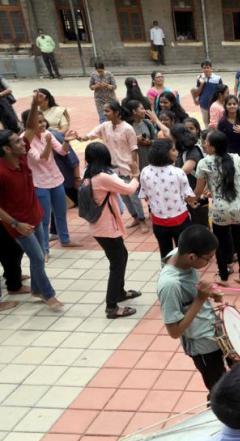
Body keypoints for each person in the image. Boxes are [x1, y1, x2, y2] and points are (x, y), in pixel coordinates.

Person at [158, 224, 233, 391]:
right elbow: (174, 332)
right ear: (192, 257)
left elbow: (192, 292)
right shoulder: (170, 285)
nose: (211, 262)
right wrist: (200, 299)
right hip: (202, 346)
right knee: (220, 390)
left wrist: (210, 293)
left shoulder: (178, 253)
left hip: (216, 331)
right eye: (208, 258)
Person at [0, 128, 63, 311]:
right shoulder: (2, 172)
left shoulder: (21, 158)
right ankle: (47, 294)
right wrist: (15, 224)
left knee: (40, 256)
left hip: (35, 216)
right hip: (20, 225)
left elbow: (30, 127)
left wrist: (35, 103)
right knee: (36, 258)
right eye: (17, 142)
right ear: (7, 149)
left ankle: (36, 289)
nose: (23, 143)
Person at [80, 141, 142, 318]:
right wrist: (136, 174)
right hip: (107, 228)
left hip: (100, 227)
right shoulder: (102, 177)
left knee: (121, 256)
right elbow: (129, 189)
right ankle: (112, 306)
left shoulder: (89, 174)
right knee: (117, 263)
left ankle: (119, 292)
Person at [195, 131, 240, 286]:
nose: (204, 145)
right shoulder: (235, 158)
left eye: (207, 143)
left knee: (220, 244)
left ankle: (223, 277)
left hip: (220, 210)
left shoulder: (204, 163)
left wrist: (195, 197)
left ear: (214, 147)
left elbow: (198, 191)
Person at [77, 99, 148, 233]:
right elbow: (90, 135)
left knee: (133, 195)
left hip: (127, 167)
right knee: (123, 195)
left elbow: (134, 150)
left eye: (107, 111)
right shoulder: (105, 126)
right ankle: (135, 217)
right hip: (113, 169)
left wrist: (135, 169)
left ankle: (142, 219)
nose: (105, 114)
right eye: (104, 111)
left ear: (117, 113)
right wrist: (80, 138)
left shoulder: (128, 128)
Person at [21, 106, 79, 259]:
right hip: (39, 182)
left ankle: (65, 240)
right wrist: (47, 144)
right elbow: (41, 158)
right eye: (38, 122)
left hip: (55, 178)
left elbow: (62, 151)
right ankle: (45, 249)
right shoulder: (24, 140)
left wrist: (66, 141)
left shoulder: (47, 134)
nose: (43, 125)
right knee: (44, 217)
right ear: (29, 125)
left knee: (61, 211)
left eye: (43, 121)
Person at [139, 139, 194, 259]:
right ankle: (184, 276)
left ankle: (168, 276)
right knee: (184, 253)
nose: (176, 152)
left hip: (158, 222)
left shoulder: (145, 171)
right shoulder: (178, 172)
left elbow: (145, 195)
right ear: (165, 153)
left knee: (165, 254)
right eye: (173, 150)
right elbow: (188, 196)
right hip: (180, 221)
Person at [172, 121, 208, 227]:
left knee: (201, 226)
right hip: (190, 196)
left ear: (177, 138)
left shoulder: (193, 152)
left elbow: (185, 170)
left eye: (172, 139)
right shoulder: (185, 150)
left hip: (197, 196)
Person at [193, 61, 224, 127]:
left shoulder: (218, 78)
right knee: (206, 122)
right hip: (204, 103)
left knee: (216, 121)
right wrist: (201, 84)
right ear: (202, 69)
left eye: (208, 67)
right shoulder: (199, 78)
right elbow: (197, 92)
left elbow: (221, 91)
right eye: (204, 68)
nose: (206, 69)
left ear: (211, 68)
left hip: (215, 104)